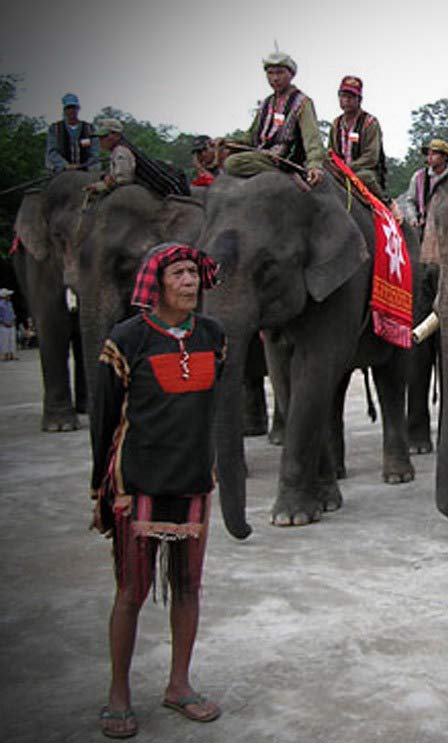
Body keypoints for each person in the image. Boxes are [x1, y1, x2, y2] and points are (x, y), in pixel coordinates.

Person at [90, 243, 224, 738]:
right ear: (157, 284)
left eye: (194, 273)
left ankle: (179, 685)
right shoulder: (127, 340)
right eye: (180, 274)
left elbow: (211, 408)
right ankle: (118, 693)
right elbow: (104, 419)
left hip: (192, 482)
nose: (190, 282)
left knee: (188, 588)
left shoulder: (214, 336)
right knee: (131, 592)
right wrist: (100, 487)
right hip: (137, 486)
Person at [222, 51, 325, 187]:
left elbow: (312, 138)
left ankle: (287, 177)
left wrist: (315, 165)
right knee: (226, 157)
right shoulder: (266, 103)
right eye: (270, 73)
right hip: (262, 155)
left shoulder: (302, 102)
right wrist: (226, 142)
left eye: (280, 72)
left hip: (285, 158)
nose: (275, 78)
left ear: (291, 74)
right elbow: (251, 137)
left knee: (232, 163)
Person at [328, 75, 392, 202]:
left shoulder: (369, 123)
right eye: (343, 96)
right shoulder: (336, 124)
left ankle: (386, 204)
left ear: (359, 99)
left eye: (351, 97)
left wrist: (348, 168)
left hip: (363, 171)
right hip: (339, 171)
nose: (347, 100)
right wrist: (333, 166)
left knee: (364, 177)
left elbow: (371, 157)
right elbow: (331, 152)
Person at [400, 138, 448, 231]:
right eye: (428, 154)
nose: (430, 157)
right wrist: (413, 218)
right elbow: (410, 201)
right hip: (425, 225)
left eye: (434, 154)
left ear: (444, 157)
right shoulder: (419, 177)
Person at [45, 92, 100, 174]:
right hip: (61, 171)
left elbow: (94, 152)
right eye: (69, 108)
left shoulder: (89, 129)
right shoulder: (55, 129)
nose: (71, 110)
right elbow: (52, 152)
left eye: (74, 107)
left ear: (78, 109)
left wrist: (84, 165)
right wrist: (65, 165)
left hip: (86, 170)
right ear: (64, 110)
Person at [85, 119, 135, 195]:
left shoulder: (120, 151)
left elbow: (124, 180)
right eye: (99, 137)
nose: (100, 140)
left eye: (104, 136)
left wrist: (100, 186)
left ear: (117, 136)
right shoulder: (115, 152)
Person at [0, 288, 17, 361]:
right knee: (4, 340)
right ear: (4, 296)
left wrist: (13, 321)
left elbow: (12, 313)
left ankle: (12, 355)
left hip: (12, 324)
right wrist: (4, 323)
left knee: (12, 340)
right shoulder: (0, 305)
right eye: (8, 295)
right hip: (4, 325)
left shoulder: (10, 303)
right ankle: (5, 355)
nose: (9, 296)